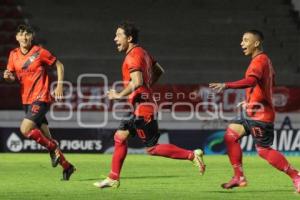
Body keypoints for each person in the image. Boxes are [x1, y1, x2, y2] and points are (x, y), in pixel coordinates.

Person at [93, 21, 205, 189]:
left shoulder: (132, 56)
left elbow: (137, 81)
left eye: (118, 35)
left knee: (152, 149)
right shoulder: (143, 52)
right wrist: (148, 85)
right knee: (120, 136)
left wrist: (118, 94)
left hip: (143, 107)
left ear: (129, 38)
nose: (115, 39)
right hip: (141, 105)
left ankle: (191, 155)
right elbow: (159, 70)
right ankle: (113, 177)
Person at [209, 30, 300, 192]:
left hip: (261, 115)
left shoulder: (259, 61)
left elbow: (251, 81)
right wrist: (251, 100)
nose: (242, 44)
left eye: (245, 40)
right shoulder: (266, 61)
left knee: (263, 151)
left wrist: (226, 85)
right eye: (242, 40)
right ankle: (239, 176)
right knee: (231, 135)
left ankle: (296, 177)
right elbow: (266, 84)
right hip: (252, 111)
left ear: (256, 43)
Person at [3, 24, 75, 180]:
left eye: (27, 34)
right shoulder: (13, 55)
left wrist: (60, 85)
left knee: (25, 129)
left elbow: (59, 65)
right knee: (46, 137)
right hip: (26, 100)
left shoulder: (39, 52)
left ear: (32, 36)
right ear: (16, 37)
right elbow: (11, 76)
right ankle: (67, 167)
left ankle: (53, 147)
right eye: (21, 34)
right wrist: (8, 77)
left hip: (41, 98)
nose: (24, 37)